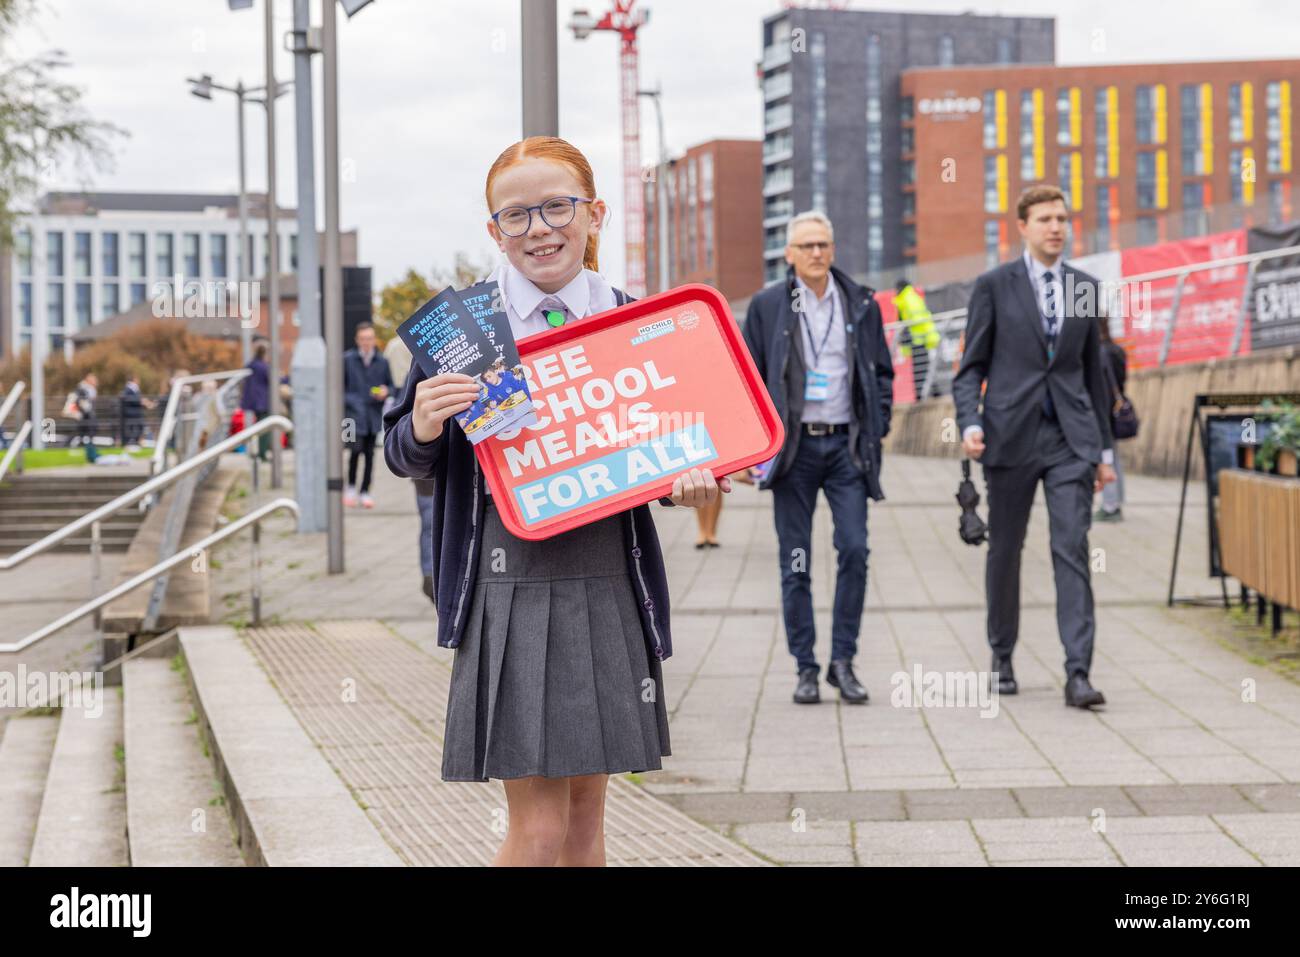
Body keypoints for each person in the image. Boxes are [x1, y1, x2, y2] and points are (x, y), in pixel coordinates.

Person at [384, 135, 730, 867]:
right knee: (538, 830)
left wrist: (692, 484)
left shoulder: (636, 322)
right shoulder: (464, 331)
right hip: (510, 584)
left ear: (595, 213)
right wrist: (421, 422)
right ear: (493, 231)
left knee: (586, 822)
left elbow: (667, 445)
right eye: (516, 215)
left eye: (556, 207)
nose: (539, 228)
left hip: (609, 576)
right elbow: (402, 456)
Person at [953, 185, 1117, 710]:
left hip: (1071, 440)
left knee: (1071, 548)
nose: (1056, 228)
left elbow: (1097, 375)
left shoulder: (1086, 287)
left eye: (1063, 219)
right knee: (1005, 551)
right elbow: (970, 368)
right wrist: (970, 421)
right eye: (1045, 218)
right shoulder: (993, 287)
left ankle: (1078, 672)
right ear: (1021, 226)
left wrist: (1105, 453)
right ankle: (1002, 655)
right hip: (1010, 436)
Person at [742, 210, 894, 706]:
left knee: (855, 550)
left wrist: (879, 427)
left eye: (823, 245)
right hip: (796, 449)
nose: (815, 253)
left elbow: (882, 373)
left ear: (833, 249)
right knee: (797, 561)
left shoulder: (861, 304)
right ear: (789, 254)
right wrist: (751, 445)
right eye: (806, 246)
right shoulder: (768, 306)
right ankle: (805, 667)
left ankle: (843, 662)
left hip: (848, 446)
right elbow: (747, 377)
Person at [343, 321, 395, 509]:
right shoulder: (347, 360)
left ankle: (365, 491)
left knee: (370, 454)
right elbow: (340, 389)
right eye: (363, 339)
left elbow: (390, 387)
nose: (366, 342)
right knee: (354, 450)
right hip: (350, 417)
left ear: (374, 340)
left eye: (370, 339)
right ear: (357, 340)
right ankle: (349, 487)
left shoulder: (382, 361)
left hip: (373, 414)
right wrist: (355, 401)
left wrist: (385, 391)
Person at [1095, 319, 1129, 523]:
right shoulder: (1117, 350)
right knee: (1114, 457)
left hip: (1104, 410)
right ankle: (1117, 500)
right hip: (1114, 408)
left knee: (1107, 458)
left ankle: (1110, 505)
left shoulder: (1100, 352)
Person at [893, 277, 940, 400]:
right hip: (919, 339)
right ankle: (933, 392)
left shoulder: (907, 299)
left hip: (918, 339)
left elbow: (917, 320)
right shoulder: (909, 297)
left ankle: (923, 394)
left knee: (920, 368)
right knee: (923, 367)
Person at [240, 341, 271, 462]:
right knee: (264, 427)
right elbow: (271, 380)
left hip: (253, 401)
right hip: (263, 401)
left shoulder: (251, 365)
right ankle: (262, 453)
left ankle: (255, 451)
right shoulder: (263, 367)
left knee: (258, 426)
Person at [118, 373, 155, 448]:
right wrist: (145, 403)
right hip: (132, 413)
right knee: (136, 428)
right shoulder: (130, 388)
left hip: (134, 413)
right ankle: (132, 443)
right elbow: (133, 399)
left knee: (137, 428)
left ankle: (135, 442)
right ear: (134, 379)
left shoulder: (132, 388)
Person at [72, 372, 99, 461]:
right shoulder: (82, 388)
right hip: (84, 415)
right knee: (84, 432)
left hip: (89, 415)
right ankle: (85, 449)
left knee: (90, 432)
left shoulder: (91, 389)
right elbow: (79, 400)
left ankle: (90, 449)